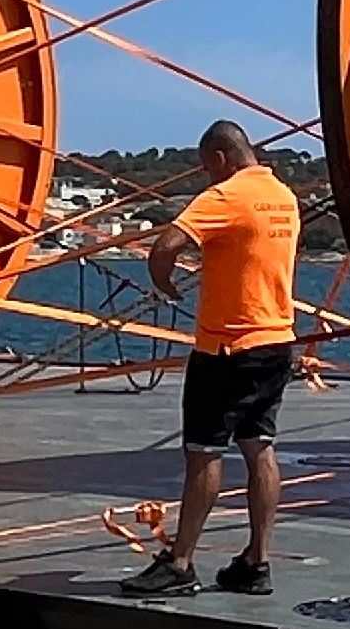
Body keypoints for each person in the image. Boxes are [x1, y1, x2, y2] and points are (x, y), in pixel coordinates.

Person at [127, 119, 301, 596]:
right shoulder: (283, 197)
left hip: (227, 347)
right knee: (260, 446)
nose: (208, 177)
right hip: (276, 341)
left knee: (204, 452)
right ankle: (257, 560)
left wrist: (162, 282)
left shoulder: (225, 196)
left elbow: (166, 244)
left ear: (220, 159)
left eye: (208, 168)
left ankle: (180, 563)